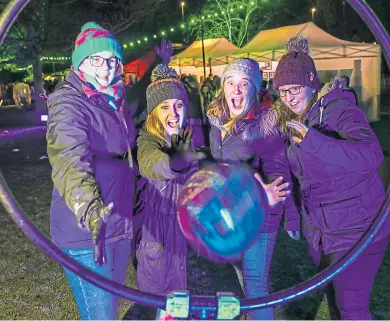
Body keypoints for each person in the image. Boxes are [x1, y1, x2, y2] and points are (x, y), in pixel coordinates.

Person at [273, 35, 390, 320]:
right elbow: (296, 177)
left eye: (295, 88)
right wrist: (293, 217)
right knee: (336, 305)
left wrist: (313, 141)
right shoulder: (293, 120)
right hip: (322, 235)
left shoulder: (338, 110)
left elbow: (370, 155)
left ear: (311, 83)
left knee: (352, 310)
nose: (289, 97)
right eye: (283, 91)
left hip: (358, 230)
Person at [46, 22, 135, 320]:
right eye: (96, 59)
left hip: (117, 224)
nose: (105, 68)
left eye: (111, 60)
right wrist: (88, 208)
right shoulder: (68, 102)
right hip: (87, 231)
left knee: (109, 308)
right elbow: (69, 159)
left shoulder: (113, 99)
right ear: (80, 62)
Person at [206, 58, 300, 320]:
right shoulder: (217, 122)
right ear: (223, 86)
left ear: (255, 89)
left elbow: (279, 179)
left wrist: (279, 207)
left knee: (256, 283)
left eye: (244, 84)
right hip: (233, 209)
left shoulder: (266, 126)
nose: (236, 90)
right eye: (231, 82)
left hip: (260, 212)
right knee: (243, 277)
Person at [135, 64, 206, 320]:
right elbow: (150, 163)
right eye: (164, 106)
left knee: (184, 309)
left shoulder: (187, 137)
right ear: (154, 111)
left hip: (186, 244)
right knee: (165, 311)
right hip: (161, 244)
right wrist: (175, 162)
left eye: (178, 104)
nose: (173, 113)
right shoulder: (147, 139)